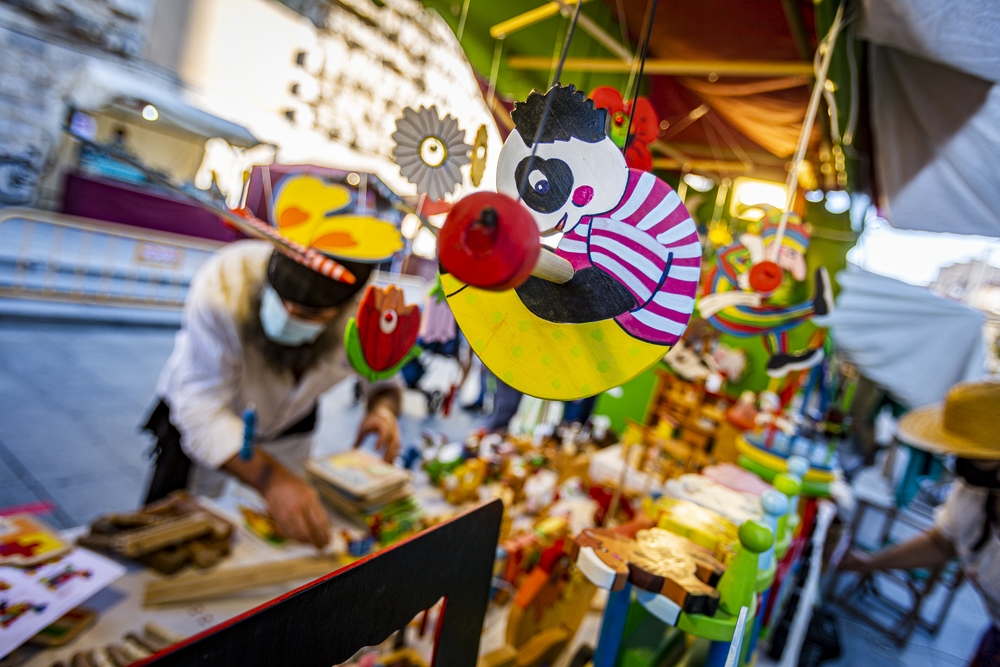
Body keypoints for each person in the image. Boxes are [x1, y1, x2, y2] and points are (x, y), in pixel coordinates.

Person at [142, 240, 401, 548]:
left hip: (289, 429)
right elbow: (201, 411)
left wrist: (381, 410)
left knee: (285, 535)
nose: (289, 316)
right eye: (281, 300)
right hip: (204, 427)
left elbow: (385, 382)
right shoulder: (227, 283)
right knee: (174, 536)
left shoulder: (366, 317)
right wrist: (270, 480)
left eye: (309, 313)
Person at [839, 381, 1000, 666]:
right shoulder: (974, 493)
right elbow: (942, 542)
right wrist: (868, 562)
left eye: (974, 454)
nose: (960, 460)